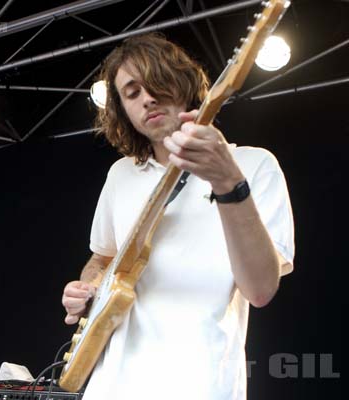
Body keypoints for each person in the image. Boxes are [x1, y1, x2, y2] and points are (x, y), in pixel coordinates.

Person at [61, 33, 294, 399]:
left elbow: (261, 288)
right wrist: (87, 288)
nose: (147, 98)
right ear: (123, 109)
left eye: (157, 82)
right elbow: (101, 258)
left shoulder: (254, 165)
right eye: (132, 92)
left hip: (200, 385)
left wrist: (227, 181)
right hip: (110, 387)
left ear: (184, 84)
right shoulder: (121, 175)